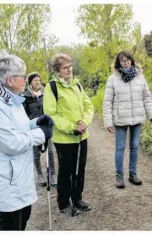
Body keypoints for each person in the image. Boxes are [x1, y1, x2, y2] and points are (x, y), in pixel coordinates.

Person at [0, 55, 54, 230]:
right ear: (10, 80)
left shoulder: (12, 100)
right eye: (23, 76)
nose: (25, 81)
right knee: (12, 225)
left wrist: (37, 123)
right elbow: (11, 143)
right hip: (5, 178)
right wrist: (41, 134)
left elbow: (20, 127)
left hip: (18, 175)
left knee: (24, 217)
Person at [43, 53, 94, 215]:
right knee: (66, 171)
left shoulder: (77, 85)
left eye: (70, 66)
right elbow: (52, 115)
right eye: (65, 67)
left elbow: (89, 106)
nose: (69, 69)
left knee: (80, 169)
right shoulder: (51, 87)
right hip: (64, 138)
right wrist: (72, 127)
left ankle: (77, 198)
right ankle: (64, 202)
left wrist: (84, 122)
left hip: (81, 136)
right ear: (57, 71)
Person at [103, 50, 152, 189]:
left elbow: (147, 97)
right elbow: (107, 101)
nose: (126, 62)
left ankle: (133, 174)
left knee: (134, 146)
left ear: (132, 61)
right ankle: (119, 176)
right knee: (120, 147)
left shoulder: (140, 77)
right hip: (121, 118)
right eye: (123, 60)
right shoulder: (113, 79)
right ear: (119, 63)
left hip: (137, 117)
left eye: (128, 60)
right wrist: (108, 121)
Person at [23, 72, 57, 187]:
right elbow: (24, 114)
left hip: (46, 126)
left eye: (39, 80)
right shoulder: (26, 96)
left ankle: (52, 175)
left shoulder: (45, 93)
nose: (37, 82)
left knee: (50, 152)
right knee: (36, 154)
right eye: (35, 80)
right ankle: (40, 175)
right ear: (30, 82)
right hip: (33, 128)